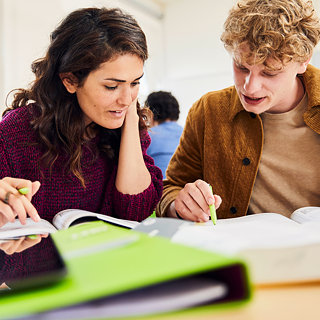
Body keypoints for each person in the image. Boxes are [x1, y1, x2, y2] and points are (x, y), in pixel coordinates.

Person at [0, 7, 162, 259]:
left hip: (108, 275)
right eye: (112, 86)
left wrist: (130, 117)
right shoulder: (16, 131)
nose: (127, 98)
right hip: (34, 284)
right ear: (70, 81)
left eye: (135, 82)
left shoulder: (125, 123)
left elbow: (135, 211)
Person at [157, 0, 320, 222]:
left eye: (269, 73)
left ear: (304, 61)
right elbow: (171, 188)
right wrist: (179, 204)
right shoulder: (208, 110)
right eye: (241, 67)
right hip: (232, 252)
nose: (249, 87)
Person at [146, 91, 183, 178]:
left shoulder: (147, 136)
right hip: (187, 187)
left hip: (160, 188)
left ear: (150, 113)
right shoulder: (188, 133)